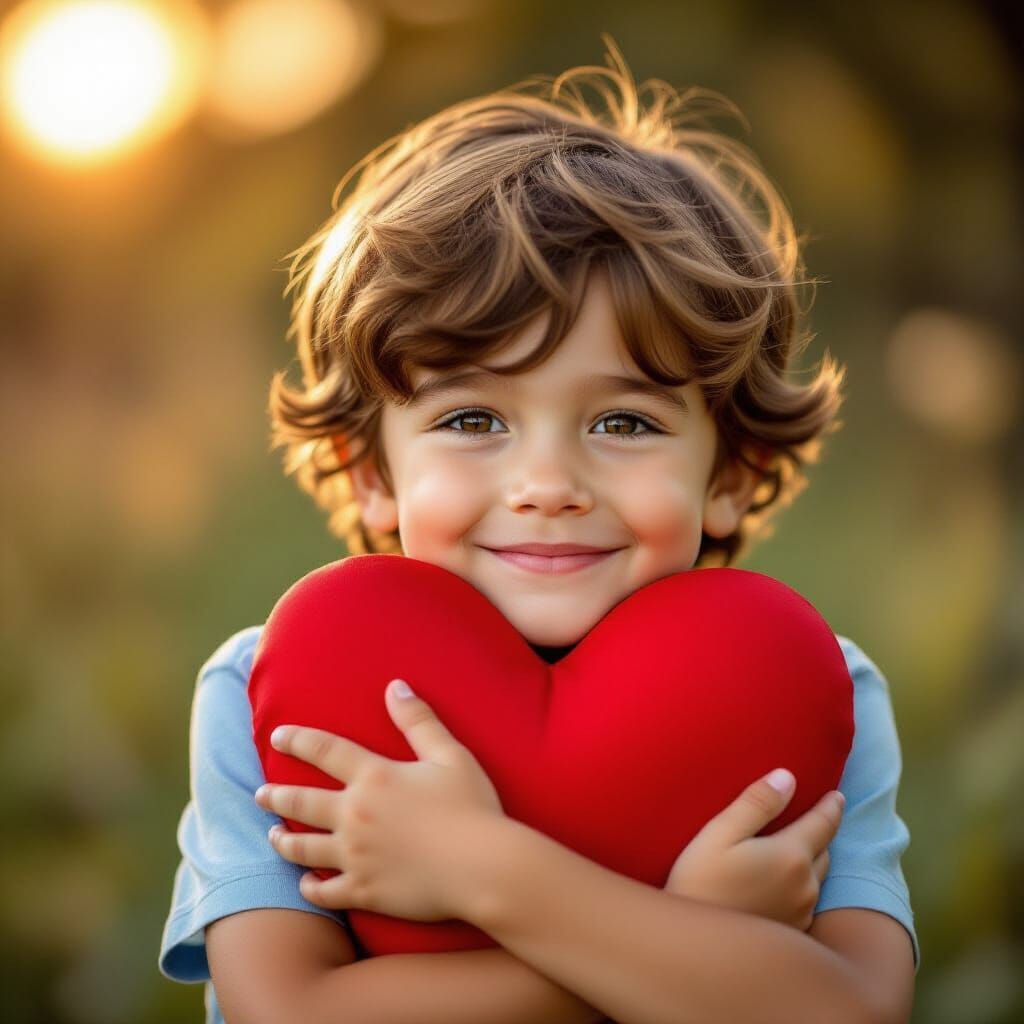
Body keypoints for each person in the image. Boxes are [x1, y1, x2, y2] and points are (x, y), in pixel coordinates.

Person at [159, 43, 919, 1024]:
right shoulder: (268, 690)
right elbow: (290, 1010)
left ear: (730, 472)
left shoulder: (821, 690)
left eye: (624, 422)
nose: (549, 484)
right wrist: (678, 935)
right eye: (473, 420)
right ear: (369, 471)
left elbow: (854, 1010)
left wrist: (482, 870)